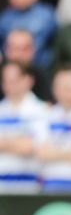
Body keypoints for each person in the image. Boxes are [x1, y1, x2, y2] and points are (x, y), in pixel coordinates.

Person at [0, 60, 48, 191]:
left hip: (30, 185)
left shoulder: (42, 109)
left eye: (14, 80)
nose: (9, 85)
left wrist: (4, 143)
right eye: (6, 81)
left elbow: (32, 147)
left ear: (28, 80)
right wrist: (19, 141)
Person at [0, 0, 57, 70]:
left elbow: (56, 46)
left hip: (42, 67)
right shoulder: (4, 19)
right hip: (11, 68)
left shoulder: (48, 15)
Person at [3, 29, 50, 100]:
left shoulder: (44, 78)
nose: (19, 54)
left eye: (25, 49)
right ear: (6, 50)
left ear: (33, 50)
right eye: (15, 48)